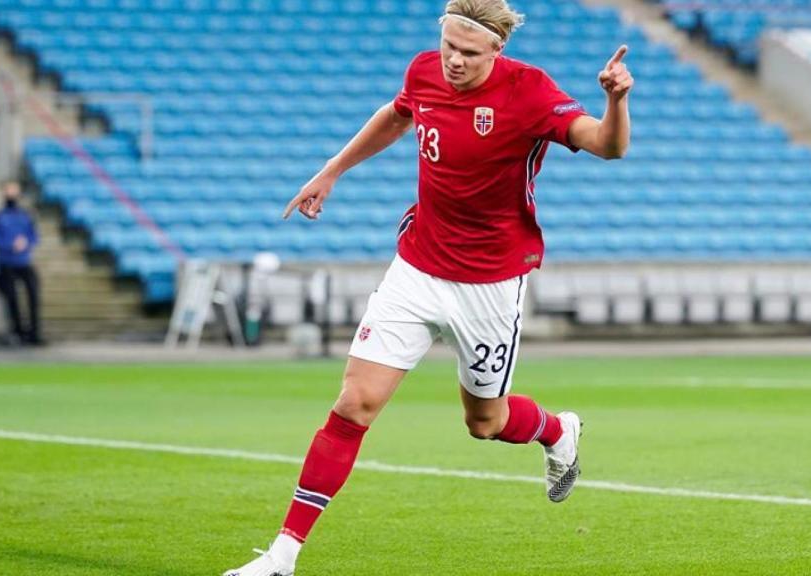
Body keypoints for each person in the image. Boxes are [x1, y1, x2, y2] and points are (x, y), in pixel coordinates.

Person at [225, 1, 632, 574]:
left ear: (497, 50)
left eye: (469, 53)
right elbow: (396, 116)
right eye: (449, 47)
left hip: (489, 285)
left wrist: (616, 101)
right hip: (416, 269)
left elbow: (608, 145)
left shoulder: (530, 91)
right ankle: (282, 556)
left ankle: (557, 429)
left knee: (484, 423)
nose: (454, 61)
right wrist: (332, 169)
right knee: (354, 404)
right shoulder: (423, 71)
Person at [0, 180, 42, 345]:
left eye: (14, 190)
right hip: (6, 262)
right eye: (9, 190)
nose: (12, 194)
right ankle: (17, 332)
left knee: (33, 294)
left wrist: (25, 242)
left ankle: (34, 332)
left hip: (24, 261)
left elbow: (34, 236)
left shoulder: (26, 215)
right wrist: (10, 245)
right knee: (12, 298)